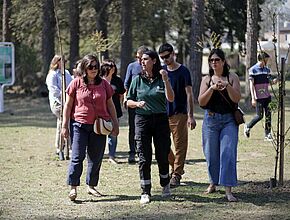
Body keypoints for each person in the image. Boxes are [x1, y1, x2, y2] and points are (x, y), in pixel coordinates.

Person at [61, 54, 119, 201]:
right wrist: (64, 125)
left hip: (99, 126)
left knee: (96, 157)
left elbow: (110, 104)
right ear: (84, 68)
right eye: (90, 67)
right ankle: (73, 187)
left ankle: (91, 186)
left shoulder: (104, 84)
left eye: (96, 67)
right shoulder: (76, 83)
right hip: (79, 125)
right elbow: (68, 105)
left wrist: (115, 124)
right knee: (77, 157)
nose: (94, 69)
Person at [127, 50, 175, 204]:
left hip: (160, 119)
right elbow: (127, 101)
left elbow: (171, 98)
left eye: (145, 59)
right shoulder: (137, 80)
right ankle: (145, 191)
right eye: (141, 59)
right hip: (142, 120)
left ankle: (165, 184)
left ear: (154, 61)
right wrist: (137, 103)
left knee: (162, 154)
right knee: (144, 157)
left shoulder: (162, 78)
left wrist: (166, 80)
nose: (142, 61)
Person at [198, 48, 241, 202]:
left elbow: (236, 98)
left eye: (217, 60)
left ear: (223, 61)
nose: (214, 63)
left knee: (228, 153)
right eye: (211, 60)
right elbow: (201, 102)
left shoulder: (232, 77)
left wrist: (227, 86)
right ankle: (213, 182)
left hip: (229, 120)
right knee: (211, 154)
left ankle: (228, 189)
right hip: (211, 120)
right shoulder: (206, 79)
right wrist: (212, 88)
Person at [158, 43, 197, 188]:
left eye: (167, 56)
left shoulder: (183, 71)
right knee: (162, 144)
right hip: (162, 113)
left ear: (173, 53)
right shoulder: (161, 71)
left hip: (179, 113)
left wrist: (191, 115)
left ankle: (176, 175)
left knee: (180, 145)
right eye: (162, 58)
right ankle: (176, 168)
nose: (165, 60)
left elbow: (189, 94)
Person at [244, 51, 277, 141]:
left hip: (267, 96)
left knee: (268, 115)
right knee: (259, 116)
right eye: (266, 59)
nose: (267, 61)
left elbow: (269, 82)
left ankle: (268, 134)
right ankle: (248, 126)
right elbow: (251, 85)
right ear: (262, 59)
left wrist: (274, 81)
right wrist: (253, 98)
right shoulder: (253, 70)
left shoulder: (266, 70)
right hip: (258, 97)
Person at [124, 45, 149, 164]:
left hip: (147, 105)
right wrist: (126, 99)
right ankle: (132, 152)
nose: (139, 60)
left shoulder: (150, 67)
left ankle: (142, 152)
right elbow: (126, 85)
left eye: (141, 58)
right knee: (133, 129)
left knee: (145, 129)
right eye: (138, 58)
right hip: (134, 103)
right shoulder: (132, 66)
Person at [46, 55, 73, 157]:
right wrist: (65, 96)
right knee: (62, 123)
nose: (63, 63)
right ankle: (60, 147)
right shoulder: (52, 75)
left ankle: (67, 147)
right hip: (58, 103)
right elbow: (54, 91)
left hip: (68, 102)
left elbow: (71, 84)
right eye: (61, 61)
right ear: (56, 62)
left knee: (65, 123)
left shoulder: (66, 73)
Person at [100, 59, 126, 164]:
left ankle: (112, 156)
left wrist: (119, 105)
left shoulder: (117, 80)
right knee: (100, 134)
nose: (113, 68)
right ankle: (99, 155)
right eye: (111, 66)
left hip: (115, 111)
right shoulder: (99, 80)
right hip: (101, 112)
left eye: (114, 66)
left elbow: (121, 94)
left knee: (113, 134)